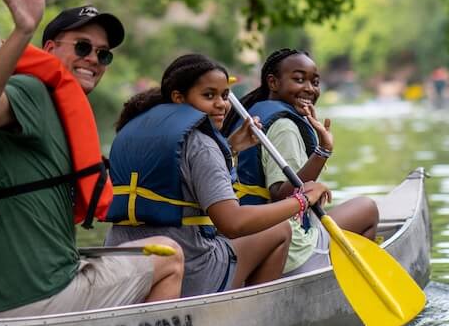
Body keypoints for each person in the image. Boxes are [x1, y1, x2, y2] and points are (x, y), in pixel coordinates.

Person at [0, 0, 184, 319]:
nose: (93, 60)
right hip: (39, 298)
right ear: (50, 49)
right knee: (169, 255)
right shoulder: (33, 92)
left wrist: (19, 234)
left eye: (104, 55)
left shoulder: (51, 115)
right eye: (83, 47)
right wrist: (23, 31)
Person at [104, 54, 331, 295]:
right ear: (178, 98)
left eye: (224, 96)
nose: (222, 105)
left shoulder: (130, 132)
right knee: (281, 229)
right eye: (208, 96)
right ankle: (251, 314)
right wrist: (302, 200)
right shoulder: (202, 144)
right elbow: (233, 223)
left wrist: (230, 148)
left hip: (126, 265)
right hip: (188, 268)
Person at [231, 48, 380, 277]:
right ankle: (341, 281)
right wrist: (323, 150)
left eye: (315, 81)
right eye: (299, 80)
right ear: (273, 82)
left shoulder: (259, 114)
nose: (309, 88)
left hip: (257, 240)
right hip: (293, 248)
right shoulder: (284, 127)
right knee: (367, 209)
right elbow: (282, 193)